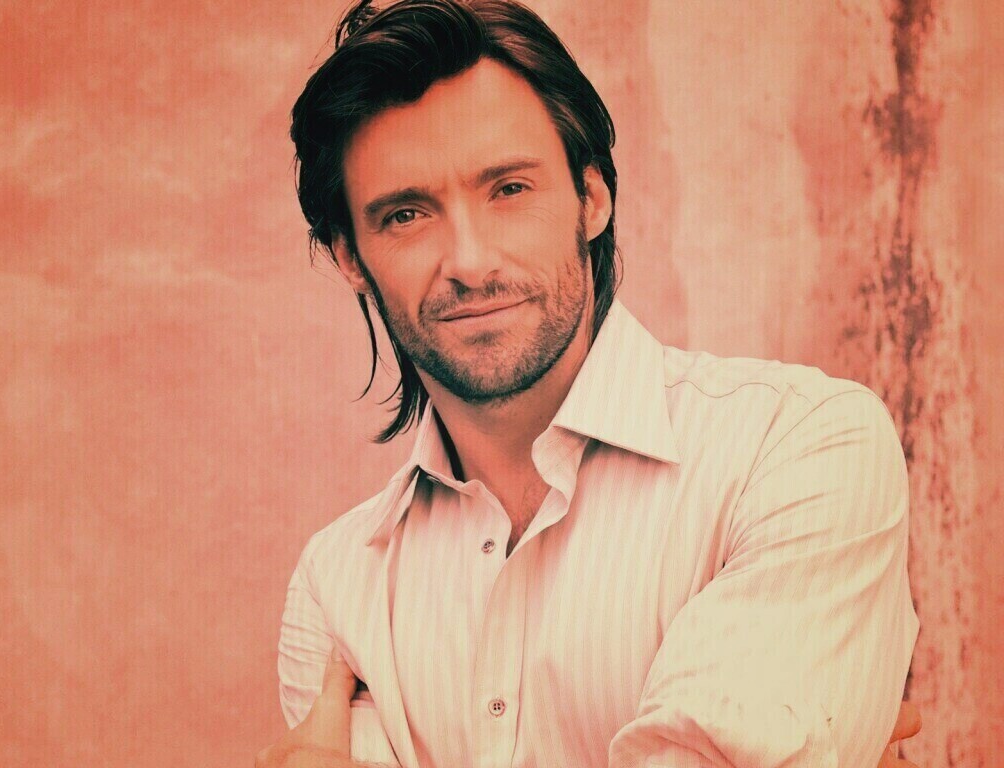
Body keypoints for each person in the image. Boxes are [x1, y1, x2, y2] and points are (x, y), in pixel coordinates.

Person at [258, 1, 922, 766]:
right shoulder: (336, 588)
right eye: (406, 214)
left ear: (593, 197)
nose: (469, 261)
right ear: (349, 256)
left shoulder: (800, 446)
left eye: (509, 189)